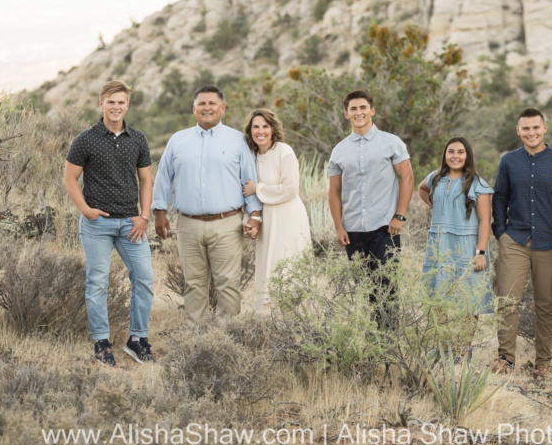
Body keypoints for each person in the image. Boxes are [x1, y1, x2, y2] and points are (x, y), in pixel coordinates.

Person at [152, 85, 262, 323]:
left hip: (227, 223)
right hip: (188, 224)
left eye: (212, 103)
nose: (207, 107)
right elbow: (163, 177)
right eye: (201, 103)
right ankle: (196, 336)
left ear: (222, 108)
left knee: (228, 284)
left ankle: (227, 336)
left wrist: (255, 214)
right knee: (193, 283)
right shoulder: (178, 140)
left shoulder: (238, 140)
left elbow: (249, 179)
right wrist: (159, 212)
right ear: (194, 109)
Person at [63, 80, 156, 366]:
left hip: (131, 223)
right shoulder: (86, 139)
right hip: (97, 225)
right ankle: (101, 342)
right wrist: (85, 210)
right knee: (97, 282)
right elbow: (69, 179)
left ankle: (137, 339)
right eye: (111, 101)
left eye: (121, 102)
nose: (116, 107)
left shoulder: (138, 138)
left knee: (144, 278)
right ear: (101, 103)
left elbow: (146, 180)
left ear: (127, 105)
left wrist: (144, 215)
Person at [491, 108, 552, 377]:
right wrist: (501, 233)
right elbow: (499, 198)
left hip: (549, 243)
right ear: (518, 131)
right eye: (525, 128)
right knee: (507, 301)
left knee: (546, 305)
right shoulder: (508, 161)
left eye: (535, 128)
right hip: (514, 240)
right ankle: (506, 359)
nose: (531, 133)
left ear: (545, 128)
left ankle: (543, 363)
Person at [328, 89, 413, 324]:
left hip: (385, 227)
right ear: (346, 114)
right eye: (353, 108)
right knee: (365, 289)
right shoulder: (339, 150)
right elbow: (334, 192)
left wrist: (400, 216)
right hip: (353, 230)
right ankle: (369, 345)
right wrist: (338, 227)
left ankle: (388, 348)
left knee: (388, 289)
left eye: (363, 107)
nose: (358, 112)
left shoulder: (391, 143)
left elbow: (407, 178)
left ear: (372, 111)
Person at [418, 137, 494, 352]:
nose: (455, 156)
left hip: (467, 245)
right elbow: (422, 189)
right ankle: (442, 345)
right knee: (437, 293)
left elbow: (485, 221)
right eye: (451, 151)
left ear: (467, 156)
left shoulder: (478, 184)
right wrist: (439, 205)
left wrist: (480, 253)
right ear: (445, 155)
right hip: (439, 242)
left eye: (460, 152)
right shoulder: (435, 178)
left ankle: (463, 349)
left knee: (468, 297)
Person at [241, 108, 312, 312]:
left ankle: (295, 318)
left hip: (288, 217)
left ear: (273, 129)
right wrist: (252, 219)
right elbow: (247, 193)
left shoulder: (284, 151)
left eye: (265, 126)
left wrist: (258, 188)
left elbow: (290, 189)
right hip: (268, 220)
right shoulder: (251, 156)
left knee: (287, 262)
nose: (260, 131)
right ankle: (269, 320)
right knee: (268, 264)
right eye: (256, 126)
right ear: (250, 130)